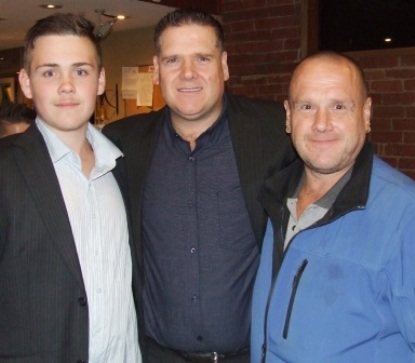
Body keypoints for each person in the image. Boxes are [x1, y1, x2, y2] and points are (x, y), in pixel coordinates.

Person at [103, 7, 297, 363]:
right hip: (156, 355)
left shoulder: (275, 132)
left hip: (252, 355)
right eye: (173, 60)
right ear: (157, 69)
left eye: (202, 58)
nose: (188, 73)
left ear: (224, 65)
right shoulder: (122, 144)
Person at [251, 51, 415, 363]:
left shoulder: (406, 216)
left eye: (339, 106)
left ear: (366, 114)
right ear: (288, 116)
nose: (321, 124)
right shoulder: (274, 199)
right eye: (307, 106)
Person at [0, 13, 142, 363]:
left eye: (80, 71)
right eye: (49, 72)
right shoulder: (5, 170)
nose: (66, 86)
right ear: (26, 83)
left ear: (100, 81)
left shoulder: (123, 166)